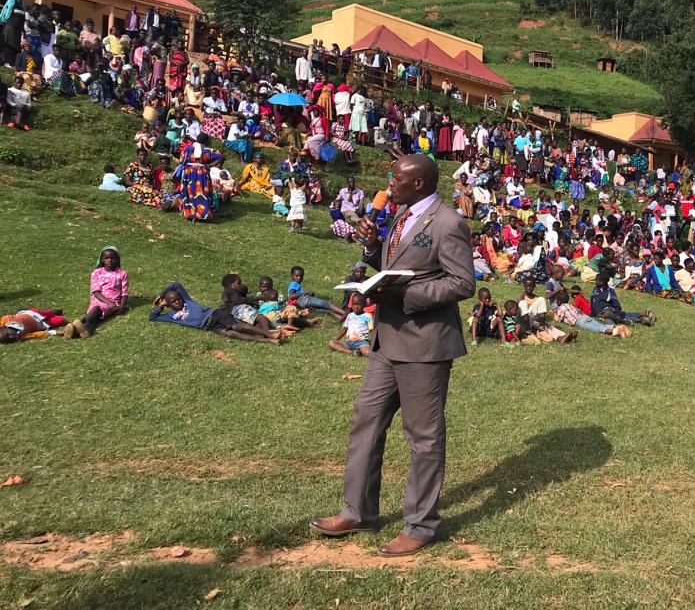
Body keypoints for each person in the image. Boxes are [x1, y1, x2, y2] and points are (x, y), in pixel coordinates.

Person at [310, 154, 475, 557]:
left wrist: (408, 294)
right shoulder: (401, 214)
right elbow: (391, 264)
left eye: (396, 178)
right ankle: (358, 511)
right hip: (387, 340)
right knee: (366, 422)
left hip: (425, 345)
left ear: (419, 184)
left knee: (423, 437)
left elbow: (462, 282)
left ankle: (420, 525)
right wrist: (372, 248)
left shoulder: (448, 222)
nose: (389, 183)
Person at [149, 282, 283, 344]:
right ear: (168, 304)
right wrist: (160, 305)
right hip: (208, 326)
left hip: (215, 314)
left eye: (178, 299)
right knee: (230, 334)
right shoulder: (171, 316)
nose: (177, 302)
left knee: (236, 326)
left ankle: (269, 333)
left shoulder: (187, 302)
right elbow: (152, 317)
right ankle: (267, 340)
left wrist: (161, 294)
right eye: (173, 302)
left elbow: (176, 284)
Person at [63, 247, 129, 339]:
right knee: (95, 317)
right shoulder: (96, 273)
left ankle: (77, 324)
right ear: (102, 260)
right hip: (97, 300)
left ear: (117, 259)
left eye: (112, 258)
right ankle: (84, 331)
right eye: (106, 258)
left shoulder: (122, 273)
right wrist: (108, 302)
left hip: (113, 303)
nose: (109, 260)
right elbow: (96, 292)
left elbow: (124, 293)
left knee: (96, 310)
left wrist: (121, 307)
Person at [179, 142, 224, 222]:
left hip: (189, 173)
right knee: (203, 192)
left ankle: (189, 213)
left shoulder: (187, 150)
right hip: (202, 174)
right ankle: (203, 214)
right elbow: (221, 157)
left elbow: (181, 161)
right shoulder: (208, 151)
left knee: (190, 192)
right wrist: (211, 165)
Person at [329, 292, 373, 357]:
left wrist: (374, 344)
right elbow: (345, 329)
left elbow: (371, 331)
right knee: (332, 343)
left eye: (359, 304)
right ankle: (351, 352)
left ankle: (360, 350)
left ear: (364, 305)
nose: (356, 307)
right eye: (354, 304)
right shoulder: (350, 315)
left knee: (368, 353)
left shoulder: (368, 316)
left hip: (362, 343)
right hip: (348, 342)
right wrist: (336, 339)